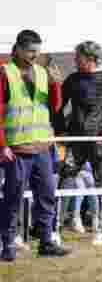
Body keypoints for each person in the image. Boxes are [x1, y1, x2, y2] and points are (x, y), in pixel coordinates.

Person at [0, 29, 71, 260]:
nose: (34, 56)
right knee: (13, 197)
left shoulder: (42, 72)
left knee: (47, 195)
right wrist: (2, 145)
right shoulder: (5, 73)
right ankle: (8, 244)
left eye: (37, 52)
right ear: (18, 49)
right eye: (30, 51)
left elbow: (54, 107)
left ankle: (46, 242)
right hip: (17, 148)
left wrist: (55, 85)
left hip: (42, 147)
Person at [56, 40, 102, 244]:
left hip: (98, 143)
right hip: (76, 141)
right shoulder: (73, 79)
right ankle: (55, 229)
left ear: (90, 59)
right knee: (65, 178)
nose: (75, 60)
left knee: (101, 183)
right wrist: (62, 131)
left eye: (78, 57)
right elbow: (58, 105)